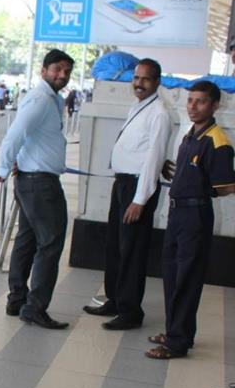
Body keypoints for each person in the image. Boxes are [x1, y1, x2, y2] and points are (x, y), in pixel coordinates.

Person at [146, 80, 235, 359]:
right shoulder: (191, 135)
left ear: (215, 105)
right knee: (173, 275)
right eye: (190, 101)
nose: (193, 107)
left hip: (195, 216)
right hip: (178, 214)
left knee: (186, 278)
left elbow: (226, 186)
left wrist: (197, 189)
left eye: (201, 102)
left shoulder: (217, 141)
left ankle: (177, 342)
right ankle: (177, 330)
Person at [83, 59, 171, 330]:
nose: (139, 83)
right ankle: (115, 299)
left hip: (136, 190)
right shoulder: (138, 107)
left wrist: (139, 199)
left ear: (156, 82)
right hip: (123, 185)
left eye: (145, 79)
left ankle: (131, 310)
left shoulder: (159, 113)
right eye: (136, 78)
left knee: (132, 250)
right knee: (115, 246)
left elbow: (153, 160)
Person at [0, 49, 75, 329]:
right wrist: (3, 168)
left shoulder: (51, 99)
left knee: (27, 240)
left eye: (66, 71)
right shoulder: (41, 99)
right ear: (44, 70)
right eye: (57, 69)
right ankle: (35, 308)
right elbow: (16, 134)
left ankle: (17, 299)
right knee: (50, 243)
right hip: (40, 184)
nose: (62, 75)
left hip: (33, 180)